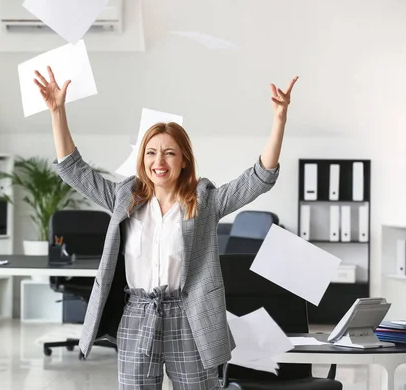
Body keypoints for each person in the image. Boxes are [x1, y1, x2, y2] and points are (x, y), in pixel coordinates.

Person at [33, 66, 298, 390]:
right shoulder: (124, 198)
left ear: (184, 159)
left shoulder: (205, 202)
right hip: (138, 313)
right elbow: (74, 170)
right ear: (143, 159)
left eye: (169, 153)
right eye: (152, 152)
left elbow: (258, 178)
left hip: (189, 316)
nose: (160, 161)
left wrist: (279, 120)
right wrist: (57, 112)